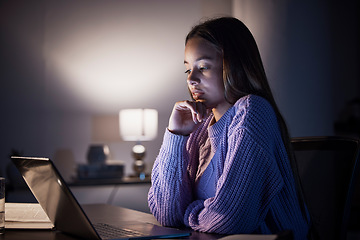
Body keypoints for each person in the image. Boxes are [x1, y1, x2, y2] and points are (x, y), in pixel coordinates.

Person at [147, 17, 310, 240]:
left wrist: (188, 213)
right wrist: (176, 135)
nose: (192, 80)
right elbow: (166, 214)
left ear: (234, 65)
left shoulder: (253, 110)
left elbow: (231, 220)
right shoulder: (201, 127)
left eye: (203, 67)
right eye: (188, 70)